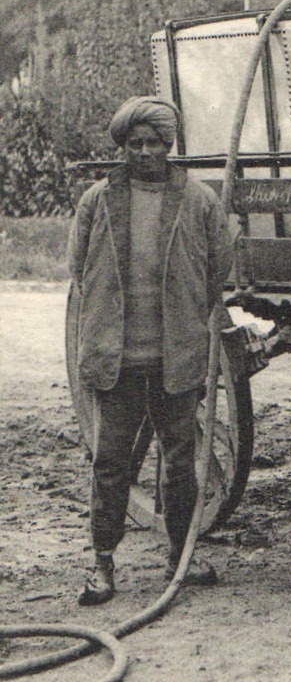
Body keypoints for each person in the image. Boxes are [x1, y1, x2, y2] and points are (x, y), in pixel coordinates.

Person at [67, 97, 235, 605]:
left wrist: (187, 317)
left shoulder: (198, 200)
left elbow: (217, 270)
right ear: (123, 146)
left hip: (174, 358)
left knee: (181, 463)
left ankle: (181, 557)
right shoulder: (97, 200)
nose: (145, 152)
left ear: (169, 146)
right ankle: (102, 564)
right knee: (111, 462)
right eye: (135, 144)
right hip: (117, 359)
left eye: (155, 143)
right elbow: (78, 269)